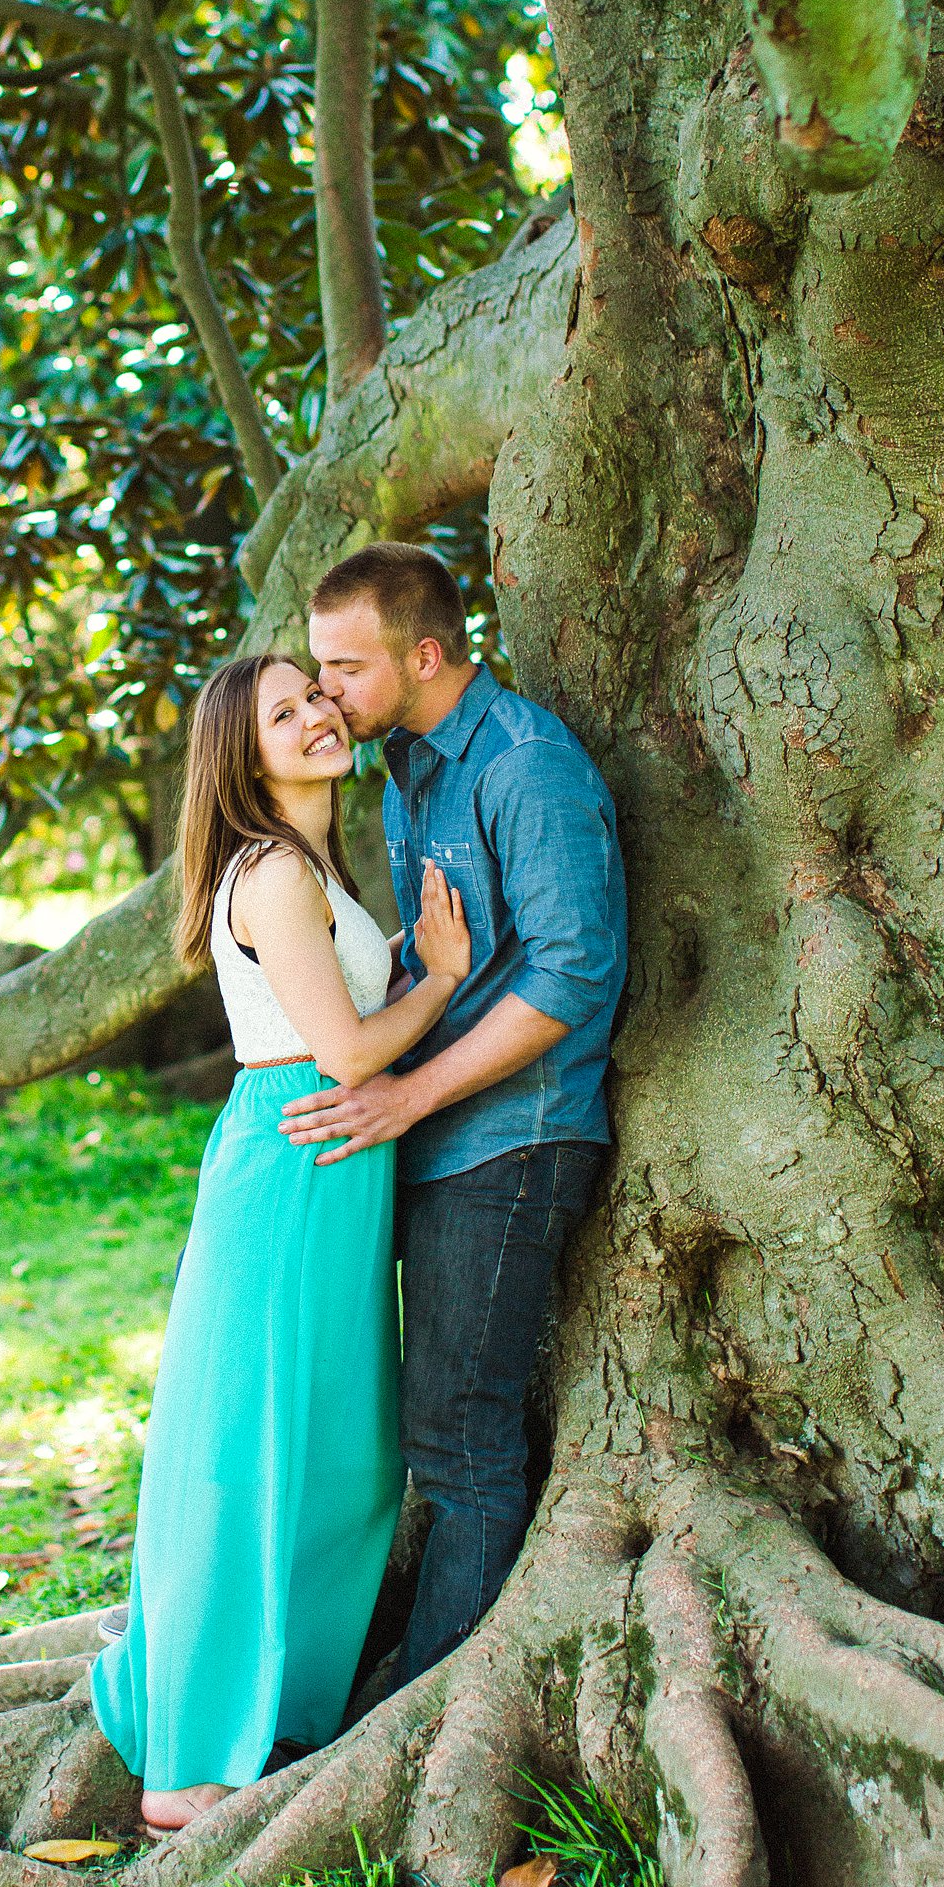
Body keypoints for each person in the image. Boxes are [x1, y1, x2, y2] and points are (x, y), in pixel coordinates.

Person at [90, 650, 471, 1835]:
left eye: (317, 694)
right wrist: (443, 977)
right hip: (289, 1159)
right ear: (241, 754)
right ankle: (186, 1761)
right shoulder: (265, 873)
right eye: (283, 711)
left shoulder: (311, 867)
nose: (316, 714)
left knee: (346, 1462)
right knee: (242, 1451)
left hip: (335, 1173)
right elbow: (350, 1052)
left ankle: (276, 1709)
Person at [284, 542, 627, 1689]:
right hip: (429, 1130)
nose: (321, 689)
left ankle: (428, 1706)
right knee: (385, 1428)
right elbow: (456, 952)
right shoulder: (407, 764)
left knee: (460, 1444)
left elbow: (573, 973)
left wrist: (405, 1093)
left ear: (423, 655)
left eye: (342, 665)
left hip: (510, 1138)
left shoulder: (525, 765)